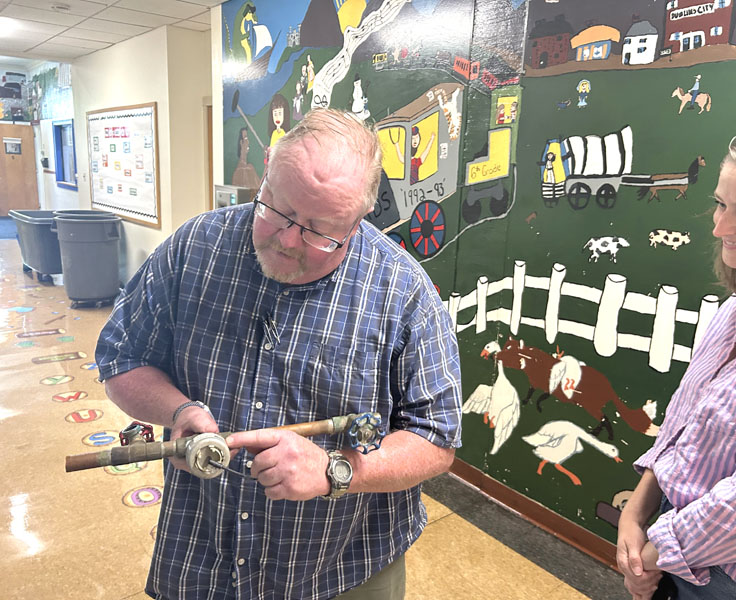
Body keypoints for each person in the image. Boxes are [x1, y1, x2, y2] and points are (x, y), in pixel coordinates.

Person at [96, 108, 462, 600]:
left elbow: (435, 439)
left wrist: (338, 470)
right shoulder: (193, 248)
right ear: (266, 169)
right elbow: (122, 356)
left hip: (340, 567)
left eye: (319, 231)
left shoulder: (404, 294)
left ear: (356, 225)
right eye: (278, 210)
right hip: (201, 555)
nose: (288, 241)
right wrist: (177, 410)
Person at [616, 115, 736, 600]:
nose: (720, 226)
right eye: (720, 204)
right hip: (675, 549)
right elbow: (684, 420)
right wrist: (635, 514)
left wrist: (649, 554)